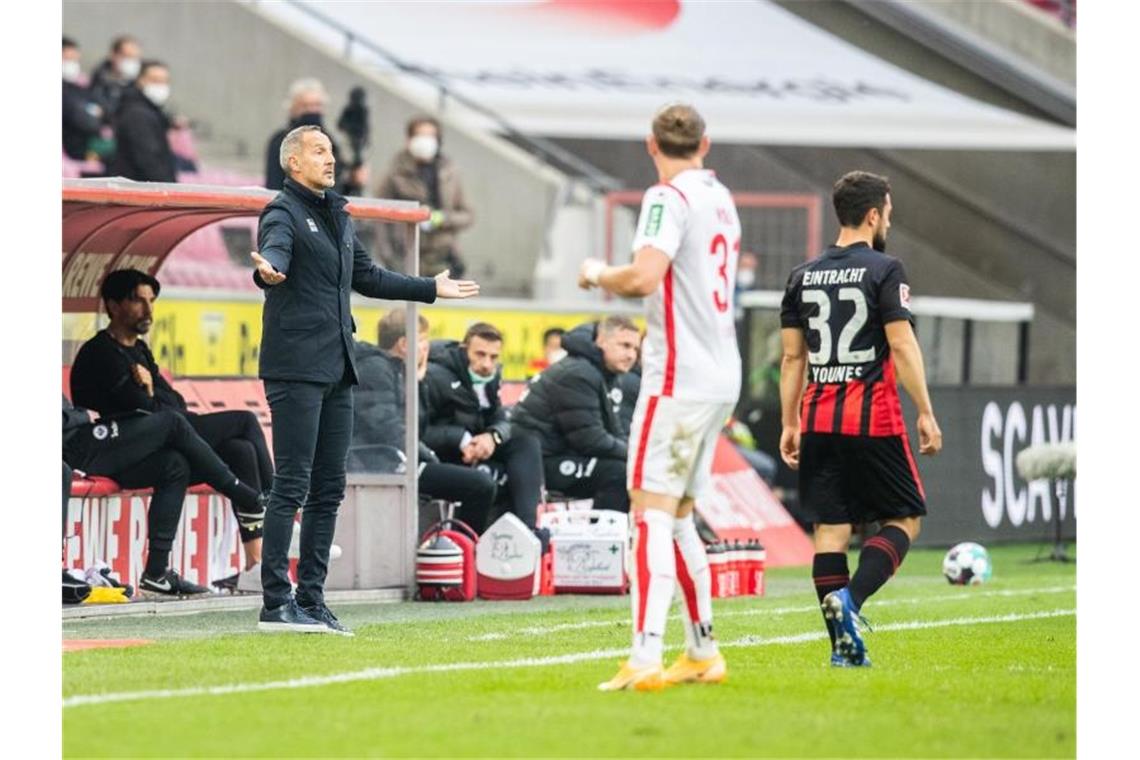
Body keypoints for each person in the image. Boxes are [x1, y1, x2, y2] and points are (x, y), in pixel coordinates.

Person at [250, 124, 478, 635]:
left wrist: (429, 288)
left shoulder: (338, 214)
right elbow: (276, 253)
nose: (329, 159)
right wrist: (269, 271)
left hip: (337, 365)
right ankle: (275, 602)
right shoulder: (283, 213)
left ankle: (312, 598)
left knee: (330, 486)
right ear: (293, 164)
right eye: (317, 152)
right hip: (295, 367)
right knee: (292, 483)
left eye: (331, 150)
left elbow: (370, 277)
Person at [579, 104, 740, 691]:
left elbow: (645, 277)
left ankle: (645, 656)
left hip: (678, 377)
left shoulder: (667, 197)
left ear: (651, 144)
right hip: (722, 373)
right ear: (706, 143)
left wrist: (597, 272)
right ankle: (702, 651)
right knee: (676, 517)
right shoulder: (720, 198)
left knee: (647, 514)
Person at [778, 170, 942, 667]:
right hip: (873, 419)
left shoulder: (801, 276)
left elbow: (792, 359)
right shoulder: (887, 269)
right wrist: (926, 411)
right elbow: (901, 342)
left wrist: (790, 422)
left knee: (830, 531)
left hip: (819, 420)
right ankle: (851, 601)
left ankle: (842, 650)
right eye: (888, 213)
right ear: (874, 214)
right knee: (905, 518)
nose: (888, 220)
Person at [69, 268, 270, 583]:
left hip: (150, 446)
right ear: (114, 305)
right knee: (240, 421)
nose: (148, 309)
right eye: (138, 301)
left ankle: (248, 566)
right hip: (109, 450)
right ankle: (272, 504)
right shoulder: (101, 353)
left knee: (228, 452)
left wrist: (151, 391)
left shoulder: (139, 351)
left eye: (152, 301)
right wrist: (151, 394)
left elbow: (174, 401)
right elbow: (150, 409)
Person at [63, 396, 266, 595]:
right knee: (172, 422)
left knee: (174, 465)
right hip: (75, 444)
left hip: (90, 437)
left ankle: (156, 573)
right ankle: (246, 498)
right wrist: (82, 415)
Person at [350, 309, 497, 532]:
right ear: (404, 344)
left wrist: (417, 381)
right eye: (422, 341)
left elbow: (416, 426)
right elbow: (389, 430)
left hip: (399, 460)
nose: (426, 348)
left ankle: (456, 548)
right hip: (383, 463)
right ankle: (463, 549)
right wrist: (429, 457)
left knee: (472, 477)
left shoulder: (398, 371)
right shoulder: (376, 370)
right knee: (480, 485)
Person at [422, 323, 544, 531]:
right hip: (441, 456)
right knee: (492, 480)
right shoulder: (434, 376)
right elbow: (419, 433)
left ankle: (527, 531)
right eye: (480, 354)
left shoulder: (490, 377)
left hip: (475, 450)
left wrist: (492, 436)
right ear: (463, 350)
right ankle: (468, 543)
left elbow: (501, 417)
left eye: (493, 357)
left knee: (525, 439)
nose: (487, 364)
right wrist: (461, 439)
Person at [511, 317, 640, 513]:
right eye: (625, 345)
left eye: (635, 349)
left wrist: (634, 454)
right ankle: (602, 538)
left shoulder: (604, 373)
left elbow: (614, 431)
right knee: (620, 474)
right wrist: (634, 455)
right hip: (538, 461)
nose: (631, 355)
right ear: (602, 341)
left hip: (561, 453)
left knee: (633, 469)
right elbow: (590, 440)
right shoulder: (578, 373)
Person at [377, 116, 474, 277]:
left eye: (431, 136)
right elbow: (379, 217)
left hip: (443, 256)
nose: (425, 141)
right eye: (420, 136)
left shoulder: (449, 172)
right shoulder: (395, 172)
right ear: (409, 140)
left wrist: (442, 218)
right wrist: (388, 257)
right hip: (405, 255)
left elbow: (467, 215)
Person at [263, 78, 347, 192]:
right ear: (293, 108)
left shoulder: (331, 142)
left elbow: (337, 186)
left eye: (317, 105)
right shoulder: (280, 141)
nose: (312, 111)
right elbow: (274, 186)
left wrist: (352, 181)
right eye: (305, 106)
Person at [107, 60, 176, 182]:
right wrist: (170, 188)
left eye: (165, 81)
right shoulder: (137, 115)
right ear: (141, 81)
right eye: (155, 80)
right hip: (138, 188)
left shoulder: (150, 111)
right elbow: (148, 160)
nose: (161, 86)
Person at [62, 37, 104, 161]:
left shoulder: (82, 86)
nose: (72, 64)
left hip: (82, 155)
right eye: (67, 59)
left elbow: (103, 112)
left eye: (75, 60)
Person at [89, 34, 141, 118]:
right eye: (127, 56)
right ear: (113, 55)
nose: (132, 62)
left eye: (135, 58)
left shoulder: (140, 86)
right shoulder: (98, 81)